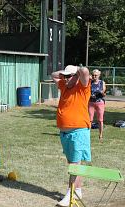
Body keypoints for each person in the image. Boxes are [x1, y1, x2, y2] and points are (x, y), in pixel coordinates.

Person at [51, 65, 91, 207]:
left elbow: (85, 71)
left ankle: (70, 193)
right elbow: (53, 74)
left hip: (78, 131)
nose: (64, 78)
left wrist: (75, 74)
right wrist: (65, 74)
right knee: (73, 163)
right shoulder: (64, 85)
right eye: (64, 76)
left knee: (74, 164)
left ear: (76, 76)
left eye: (68, 76)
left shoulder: (82, 87)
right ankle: (77, 190)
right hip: (65, 133)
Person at [88, 69, 106, 142]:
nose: (94, 76)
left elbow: (104, 93)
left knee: (100, 120)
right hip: (91, 102)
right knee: (89, 120)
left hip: (100, 102)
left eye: (96, 75)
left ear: (99, 75)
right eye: (93, 75)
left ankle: (100, 135)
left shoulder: (102, 83)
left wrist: (101, 93)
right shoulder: (90, 82)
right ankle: (87, 135)